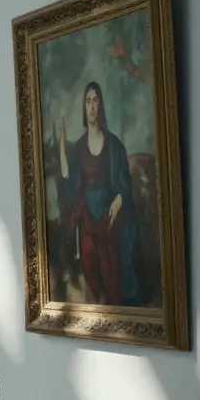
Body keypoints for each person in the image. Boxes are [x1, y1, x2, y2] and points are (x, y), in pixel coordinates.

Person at [55, 80, 140, 305]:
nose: (92, 106)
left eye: (95, 101)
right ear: (85, 107)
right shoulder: (80, 148)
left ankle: (114, 309)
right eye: (88, 101)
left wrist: (118, 202)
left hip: (110, 214)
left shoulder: (114, 146)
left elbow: (123, 187)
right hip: (88, 218)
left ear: (100, 106)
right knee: (89, 260)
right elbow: (70, 180)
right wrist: (62, 148)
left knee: (110, 264)